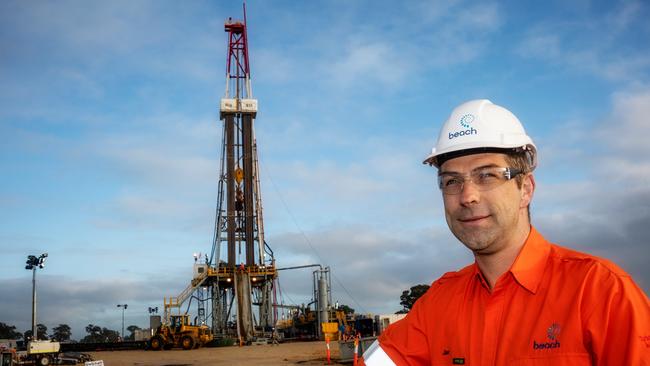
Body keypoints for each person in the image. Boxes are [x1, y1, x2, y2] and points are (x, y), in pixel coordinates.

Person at [362, 100, 649, 365]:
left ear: (525, 189)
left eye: (487, 175)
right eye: (451, 181)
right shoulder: (437, 305)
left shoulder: (601, 292)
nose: (467, 196)